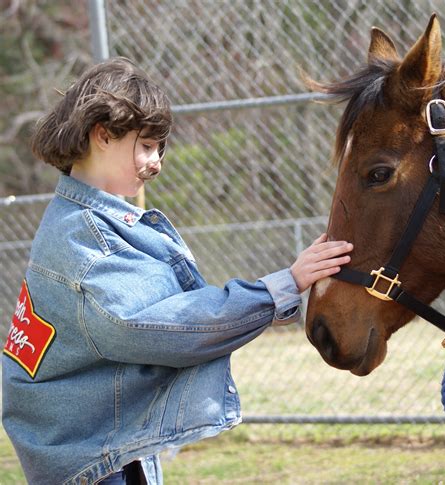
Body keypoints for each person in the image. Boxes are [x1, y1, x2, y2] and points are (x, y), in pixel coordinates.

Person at [2, 57, 353, 485]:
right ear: (103, 135)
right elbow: (163, 326)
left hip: (104, 445)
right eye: (146, 145)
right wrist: (285, 285)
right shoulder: (86, 241)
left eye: (159, 148)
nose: (156, 162)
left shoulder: (80, 224)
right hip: (91, 462)